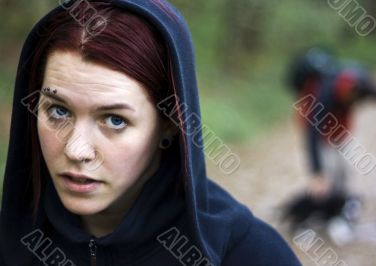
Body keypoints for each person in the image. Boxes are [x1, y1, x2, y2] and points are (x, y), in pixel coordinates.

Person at [0, 0, 301, 265]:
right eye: (59, 111)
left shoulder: (248, 255)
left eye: (114, 120)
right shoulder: (11, 243)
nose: (77, 150)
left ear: (169, 124)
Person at [283, 47, 376, 241]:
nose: (352, 100)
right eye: (350, 97)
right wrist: (317, 173)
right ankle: (322, 212)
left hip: (341, 130)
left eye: (355, 97)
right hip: (320, 131)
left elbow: (374, 92)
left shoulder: (361, 84)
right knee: (328, 175)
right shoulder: (325, 95)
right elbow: (312, 134)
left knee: (346, 170)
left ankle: (340, 211)